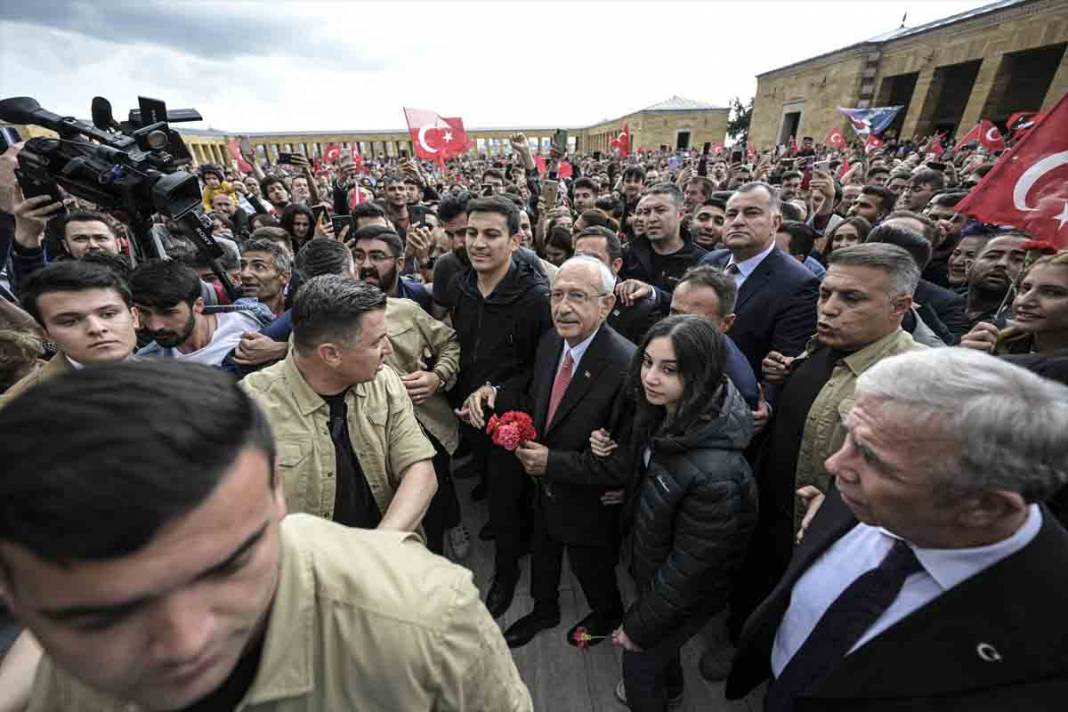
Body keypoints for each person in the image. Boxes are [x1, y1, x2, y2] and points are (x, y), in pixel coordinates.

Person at [0, 361, 533, 710]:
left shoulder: (427, 620)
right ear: (17, 601)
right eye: (100, 614)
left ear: (275, 491)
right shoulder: (60, 691)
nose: (185, 643)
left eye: (226, 567)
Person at [726, 348, 1068, 711]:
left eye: (871, 457)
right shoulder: (877, 468)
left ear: (985, 506)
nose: (835, 463)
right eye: (850, 436)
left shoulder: (1047, 651)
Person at [594, 316, 757, 711]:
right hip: (656, 570)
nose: (650, 377)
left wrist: (638, 626)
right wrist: (633, 493)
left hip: (684, 590)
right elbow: (659, 474)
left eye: (669, 369)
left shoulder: (717, 473)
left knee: (639, 665)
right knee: (658, 662)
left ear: (700, 374)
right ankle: (674, 692)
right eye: (647, 362)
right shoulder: (664, 411)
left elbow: (692, 569)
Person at [497, 256, 634, 650]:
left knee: (593, 571)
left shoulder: (627, 366)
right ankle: (545, 610)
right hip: (542, 491)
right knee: (543, 553)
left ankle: (606, 616)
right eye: (557, 294)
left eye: (577, 296)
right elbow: (538, 398)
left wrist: (552, 463)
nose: (562, 306)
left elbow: (623, 462)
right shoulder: (551, 341)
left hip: (589, 504)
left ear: (606, 304)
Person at [241, 276, 438, 534]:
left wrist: (381, 544)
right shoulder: (249, 409)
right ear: (331, 354)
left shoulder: (384, 380)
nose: (387, 349)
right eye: (376, 342)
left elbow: (420, 468)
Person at [453, 196, 553, 618]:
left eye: (491, 234)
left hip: (511, 418)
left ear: (515, 241)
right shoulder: (462, 285)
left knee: (507, 500)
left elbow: (542, 367)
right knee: (492, 491)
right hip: (468, 413)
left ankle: (506, 574)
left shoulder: (534, 298)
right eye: (471, 233)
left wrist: (497, 390)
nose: (478, 243)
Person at [698, 182, 820, 380]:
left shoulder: (798, 284)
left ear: (775, 222)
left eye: (751, 213)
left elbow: (783, 365)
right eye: (731, 214)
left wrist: (764, 403)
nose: (737, 221)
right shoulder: (710, 260)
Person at [0, 261, 138, 407]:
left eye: (108, 314)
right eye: (70, 322)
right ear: (45, 333)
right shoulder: (18, 408)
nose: (97, 328)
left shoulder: (162, 373)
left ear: (134, 317)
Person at [130, 259, 262, 367]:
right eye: (145, 313)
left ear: (198, 305)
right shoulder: (148, 364)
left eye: (167, 313)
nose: (155, 326)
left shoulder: (251, 324)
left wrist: (280, 349)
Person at [669, 265, 760, 409]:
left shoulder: (736, 389)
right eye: (674, 313)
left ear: (726, 323)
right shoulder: (660, 344)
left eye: (693, 319)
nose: (677, 325)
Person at [617, 184, 707, 307]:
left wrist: (654, 294)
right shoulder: (626, 254)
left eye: (660, 210)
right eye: (646, 212)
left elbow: (698, 308)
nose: (652, 218)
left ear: (680, 214)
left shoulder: (702, 261)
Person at [574, 226, 659, 345]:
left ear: (616, 265)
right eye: (579, 257)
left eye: (594, 258)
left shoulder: (640, 308)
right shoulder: (565, 296)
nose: (583, 264)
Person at [9, 204, 123, 286]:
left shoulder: (137, 276)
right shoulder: (56, 282)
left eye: (101, 238)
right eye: (80, 239)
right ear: (66, 246)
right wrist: (29, 237)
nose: (93, 245)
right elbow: (31, 283)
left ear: (118, 244)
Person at [351, 225, 433, 313]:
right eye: (359, 256)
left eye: (376, 257)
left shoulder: (417, 295)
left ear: (399, 264)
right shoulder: (346, 302)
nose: (366, 265)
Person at [963, 232, 1029, 330]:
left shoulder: (1025, 326)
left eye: (1018, 260)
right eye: (992, 256)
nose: (1002, 264)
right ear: (968, 266)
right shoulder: (939, 303)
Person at [239, 238, 292, 316]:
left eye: (258, 266)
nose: (245, 274)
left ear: (284, 277)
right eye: (242, 266)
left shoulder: (300, 316)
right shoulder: (229, 318)